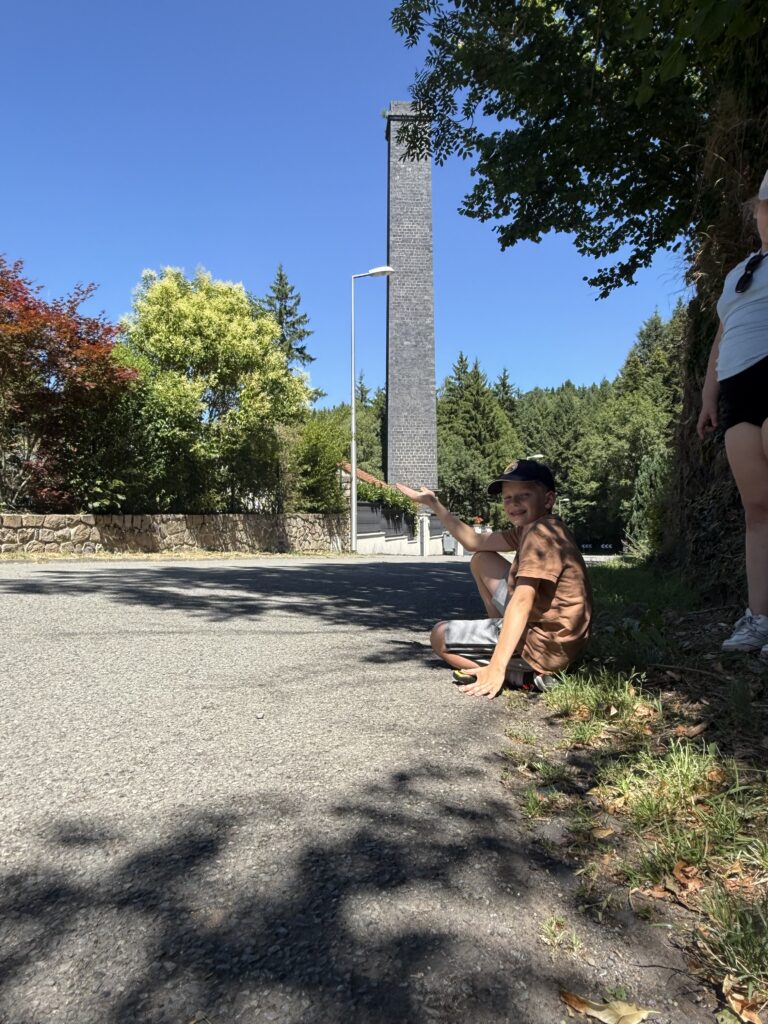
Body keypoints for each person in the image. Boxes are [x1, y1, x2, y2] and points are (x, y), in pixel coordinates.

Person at [397, 459, 592, 699]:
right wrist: (434, 504)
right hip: (560, 640)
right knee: (482, 559)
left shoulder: (540, 535)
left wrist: (497, 667)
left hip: (544, 646)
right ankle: (506, 645)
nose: (514, 503)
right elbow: (474, 541)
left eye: (524, 495)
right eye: (507, 497)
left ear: (548, 499)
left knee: (439, 636)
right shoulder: (536, 528)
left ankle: (521, 675)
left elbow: (523, 601)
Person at [697, 168, 768, 657]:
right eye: (766, 206)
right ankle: (760, 618)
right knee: (757, 511)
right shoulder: (739, 272)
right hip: (737, 396)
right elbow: (722, 336)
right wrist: (708, 396)